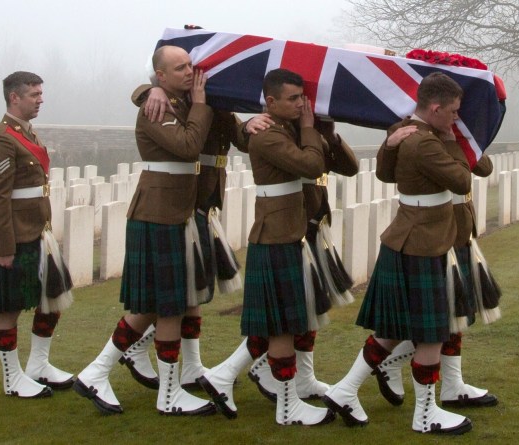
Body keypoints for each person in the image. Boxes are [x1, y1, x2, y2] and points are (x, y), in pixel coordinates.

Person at [322, 72, 473, 435]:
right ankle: (425, 414)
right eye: (452, 112)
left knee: (391, 331)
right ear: (434, 108)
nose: (456, 118)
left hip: (410, 238)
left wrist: (389, 144)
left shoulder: (408, 132)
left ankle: (344, 390)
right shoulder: (428, 143)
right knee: (432, 333)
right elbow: (463, 180)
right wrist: (453, 142)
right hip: (423, 242)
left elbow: (387, 174)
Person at [73, 45, 216, 416]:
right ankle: (167, 395)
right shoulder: (157, 107)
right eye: (180, 67)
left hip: (176, 213)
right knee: (166, 306)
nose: (190, 71)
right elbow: (187, 147)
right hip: (159, 214)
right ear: (161, 77)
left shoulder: (176, 100)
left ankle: (97, 371)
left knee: (166, 303)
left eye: (190, 65)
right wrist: (195, 102)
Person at [197, 68, 335, 426]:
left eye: (303, 97)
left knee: (284, 322)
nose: (302, 104)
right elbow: (311, 164)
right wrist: (309, 128)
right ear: (270, 102)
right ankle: (288, 407)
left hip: (289, 233)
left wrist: (323, 129)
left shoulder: (285, 129)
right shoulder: (268, 136)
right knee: (283, 326)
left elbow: (334, 163)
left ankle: (224, 376)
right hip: (276, 236)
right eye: (293, 99)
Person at [116, 85, 267, 391]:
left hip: (205, 198)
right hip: (183, 199)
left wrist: (249, 127)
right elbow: (147, 94)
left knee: (193, 290)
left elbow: (238, 138)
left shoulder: (214, 99)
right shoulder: (168, 98)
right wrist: (152, 89)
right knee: (174, 292)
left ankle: (191, 368)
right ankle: (127, 352)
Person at [373, 134, 500, 408]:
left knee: (457, 315)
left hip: (461, 232)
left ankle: (453, 384)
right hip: (437, 235)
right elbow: (387, 171)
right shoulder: (417, 136)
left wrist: (464, 138)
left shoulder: (460, 136)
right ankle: (391, 362)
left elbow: (485, 167)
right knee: (435, 318)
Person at [0, 71, 75, 399]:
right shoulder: (2, 138)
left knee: (52, 301)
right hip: (16, 236)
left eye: (41, 93)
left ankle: (39, 364)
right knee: (10, 308)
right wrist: (3, 246)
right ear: (14, 97)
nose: (41, 99)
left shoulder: (27, 133)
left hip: (39, 232)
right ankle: (12, 377)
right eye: (34, 94)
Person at [248, 118, 359, 401]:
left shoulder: (313, 133)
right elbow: (309, 165)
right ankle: (240, 370)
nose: (305, 106)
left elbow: (350, 167)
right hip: (293, 227)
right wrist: (247, 123)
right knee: (288, 312)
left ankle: (305, 378)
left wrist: (331, 135)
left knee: (311, 307)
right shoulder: (277, 133)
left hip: (313, 224)